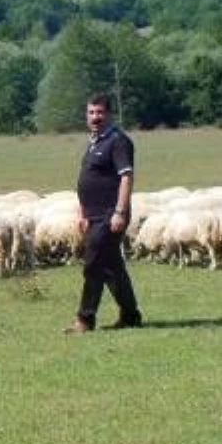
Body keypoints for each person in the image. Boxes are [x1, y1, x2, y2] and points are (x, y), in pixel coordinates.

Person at [65, 92, 143, 333]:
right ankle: (131, 315)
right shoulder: (95, 141)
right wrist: (82, 213)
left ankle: (85, 319)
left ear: (108, 114)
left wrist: (119, 212)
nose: (95, 117)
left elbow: (126, 177)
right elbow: (88, 180)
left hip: (110, 214)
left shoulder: (119, 141)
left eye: (100, 112)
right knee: (111, 268)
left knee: (93, 265)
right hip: (93, 215)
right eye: (91, 112)